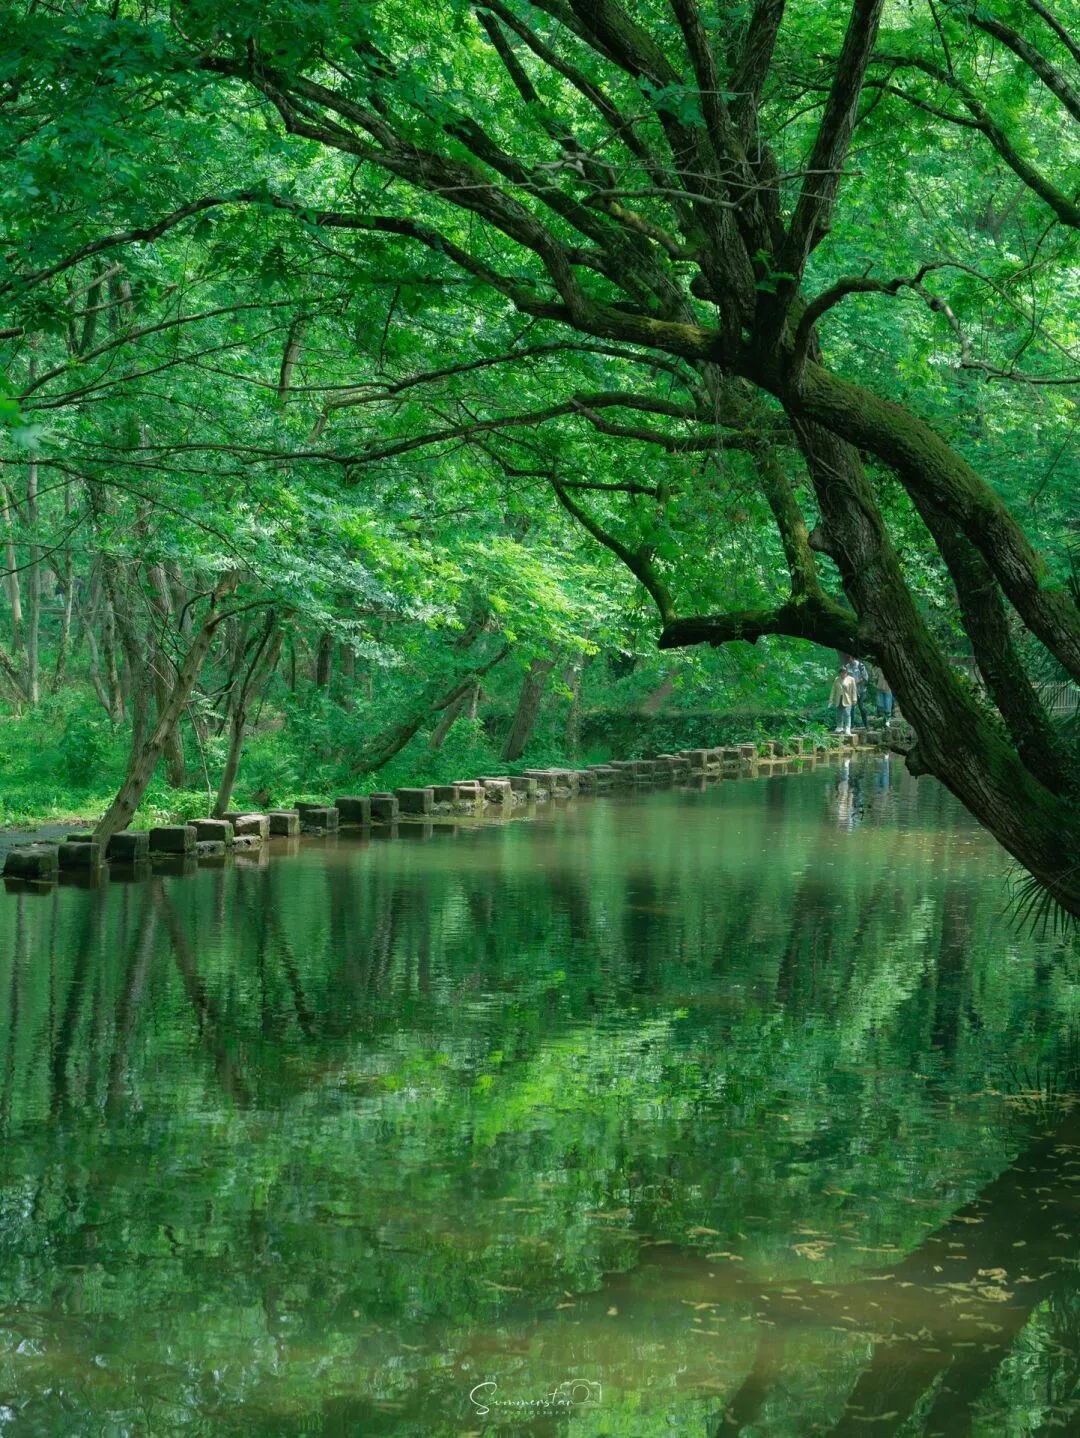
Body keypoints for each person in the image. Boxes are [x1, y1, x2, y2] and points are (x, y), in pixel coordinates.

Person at [829, 665, 857, 734]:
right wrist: (831, 699)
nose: (843, 673)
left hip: (847, 699)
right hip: (839, 699)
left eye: (844, 672)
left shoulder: (851, 679)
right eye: (841, 672)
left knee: (847, 714)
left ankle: (847, 727)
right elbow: (833, 690)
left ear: (847, 672)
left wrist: (854, 699)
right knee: (839, 713)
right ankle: (839, 726)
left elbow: (854, 690)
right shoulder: (837, 679)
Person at [845, 656, 869, 728]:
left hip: (861, 690)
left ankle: (866, 725)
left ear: (853, 658)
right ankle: (851, 726)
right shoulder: (847, 667)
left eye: (849, 659)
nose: (848, 660)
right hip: (852, 691)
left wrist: (857, 682)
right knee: (851, 708)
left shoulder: (860, 666)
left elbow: (866, 678)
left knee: (861, 707)